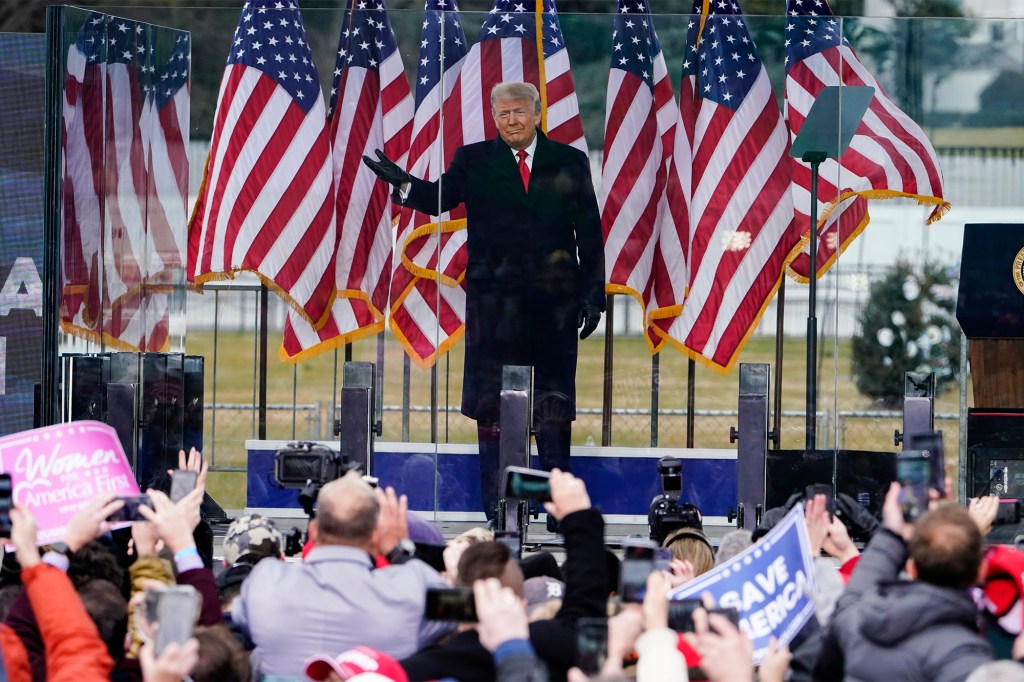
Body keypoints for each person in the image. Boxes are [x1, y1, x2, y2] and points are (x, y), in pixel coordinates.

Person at [363, 81, 605, 523]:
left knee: (552, 408)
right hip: (493, 309)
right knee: (492, 407)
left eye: (519, 113)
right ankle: (501, 506)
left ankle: (557, 508)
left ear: (536, 115)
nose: (511, 121)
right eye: (502, 114)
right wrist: (404, 187)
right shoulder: (473, 160)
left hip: (554, 307)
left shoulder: (569, 161)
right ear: (493, 117)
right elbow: (440, 198)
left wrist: (592, 296)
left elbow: (588, 233)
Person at [231, 472, 451, 678]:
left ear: (314, 532)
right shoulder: (412, 590)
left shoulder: (266, 580)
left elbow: (241, 617)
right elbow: (461, 609)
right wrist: (400, 550)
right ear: (376, 536)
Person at [816, 483, 995, 681]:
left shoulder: (854, 620)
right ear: (982, 571)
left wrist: (892, 533)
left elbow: (854, 594)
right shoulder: (964, 657)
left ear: (911, 568)